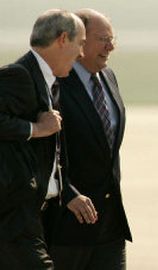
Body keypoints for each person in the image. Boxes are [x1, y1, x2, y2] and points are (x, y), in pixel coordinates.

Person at [0, 9, 96, 269]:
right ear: (63, 39)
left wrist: (65, 190)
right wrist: (35, 128)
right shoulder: (18, 75)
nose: (82, 54)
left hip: (33, 216)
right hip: (13, 219)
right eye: (81, 44)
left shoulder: (48, 80)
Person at [43, 9, 132, 270]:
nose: (111, 46)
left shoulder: (109, 77)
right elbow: (45, 151)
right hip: (67, 227)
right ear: (78, 40)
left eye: (113, 39)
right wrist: (68, 192)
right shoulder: (55, 84)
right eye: (103, 39)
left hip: (110, 225)